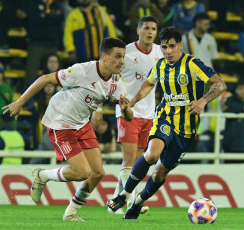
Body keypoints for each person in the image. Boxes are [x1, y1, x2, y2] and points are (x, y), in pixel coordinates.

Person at [3, 37, 133, 221]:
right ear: (104, 56)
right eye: (118, 56)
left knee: (97, 173)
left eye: (123, 57)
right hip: (60, 122)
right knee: (82, 172)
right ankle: (43, 175)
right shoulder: (83, 70)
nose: (122, 61)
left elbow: (128, 116)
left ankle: (70, 212)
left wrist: (127, 109)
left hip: (81, 123)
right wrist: (20, 102)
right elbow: (45, 79)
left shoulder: (115, 80)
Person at [107, 26, 227, 219]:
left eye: (172, 46)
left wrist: (203, 100)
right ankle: (124, 194)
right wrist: (132, 102)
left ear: (180, 46)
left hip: (187, 128)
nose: (168, 51)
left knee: (159, 174)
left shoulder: (192, 64)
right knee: (152, 155)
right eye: (164, 47)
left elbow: (220, 84)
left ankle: (138, 203)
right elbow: (148, 84)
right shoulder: (160, 65)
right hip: (165, 117)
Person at [110, 15, 163, 214]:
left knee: (138, 164)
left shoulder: (160, 52)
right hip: (128, 112)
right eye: (146, 28)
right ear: (138, 30)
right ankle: (132, 202)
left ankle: (115, 205)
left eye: (153, 29)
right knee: (129, 161)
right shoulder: (126, 52)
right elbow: (110, 74)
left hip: (149, 115)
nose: (150, 32)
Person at [23, 0, 64, 91]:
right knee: (31, 74)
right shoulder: (33, 4)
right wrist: (52, 17)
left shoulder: (55, 4)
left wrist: (45, 16)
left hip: (52, 44)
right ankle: (28, 101)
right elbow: (35, 19)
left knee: (54, 73)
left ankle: (55, 97)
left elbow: (60, 18)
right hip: (36, 44)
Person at [222, 81, 244, 155]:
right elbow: (226, 110)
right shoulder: (230, 100)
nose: (243, 91)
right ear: (236, 90)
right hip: (230, 143)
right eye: (240, 88)